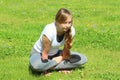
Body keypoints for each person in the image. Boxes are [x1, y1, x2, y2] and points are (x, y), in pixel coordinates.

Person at [29, 8, 87, 75]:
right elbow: (44, 54)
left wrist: (61, 58)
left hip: (56, 55)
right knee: (37, 66)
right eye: (65, 23)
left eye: (69, 22)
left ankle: (52, 65)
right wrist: (45, 70)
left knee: (82, 59)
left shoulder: (71, 30)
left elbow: (66, 52)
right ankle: (55, 66)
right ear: (57, 22)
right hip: (39, 54)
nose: (68, 25)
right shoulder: (49, 31)